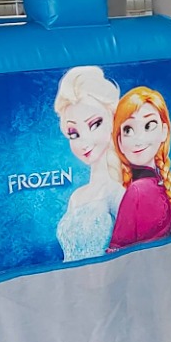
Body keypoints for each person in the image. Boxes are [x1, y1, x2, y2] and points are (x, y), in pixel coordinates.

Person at [52, 68, 122, 262]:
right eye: (74, 133)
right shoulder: (76, 197)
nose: (84, 142)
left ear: (113, 119)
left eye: (95, 124)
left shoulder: (117, 192)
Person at [109, 86, 171, 250]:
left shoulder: (138, 190)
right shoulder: (154, 188)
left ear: (164, 131)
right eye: (128, 130)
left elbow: (117, 256)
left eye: (149, 125)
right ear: (119, 141)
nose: (139, 139)